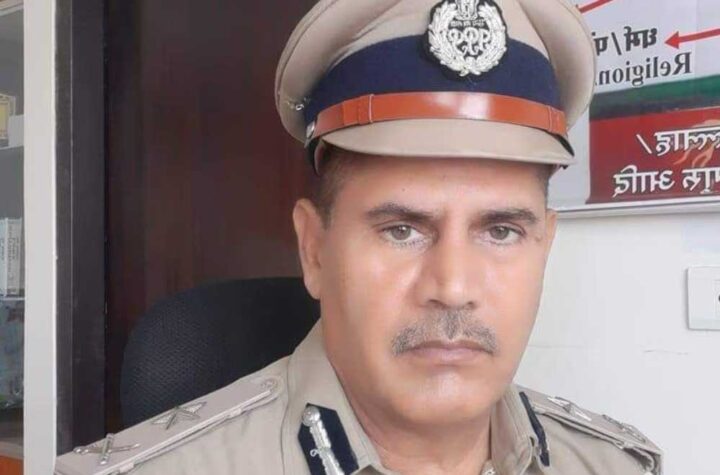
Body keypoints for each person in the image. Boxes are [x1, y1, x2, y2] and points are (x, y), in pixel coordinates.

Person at [55, 0, 663, 474]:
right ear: (314, 250)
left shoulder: (615, 465)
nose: (453, 287)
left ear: (545, 248)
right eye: (402, 230)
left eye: (501, 231)